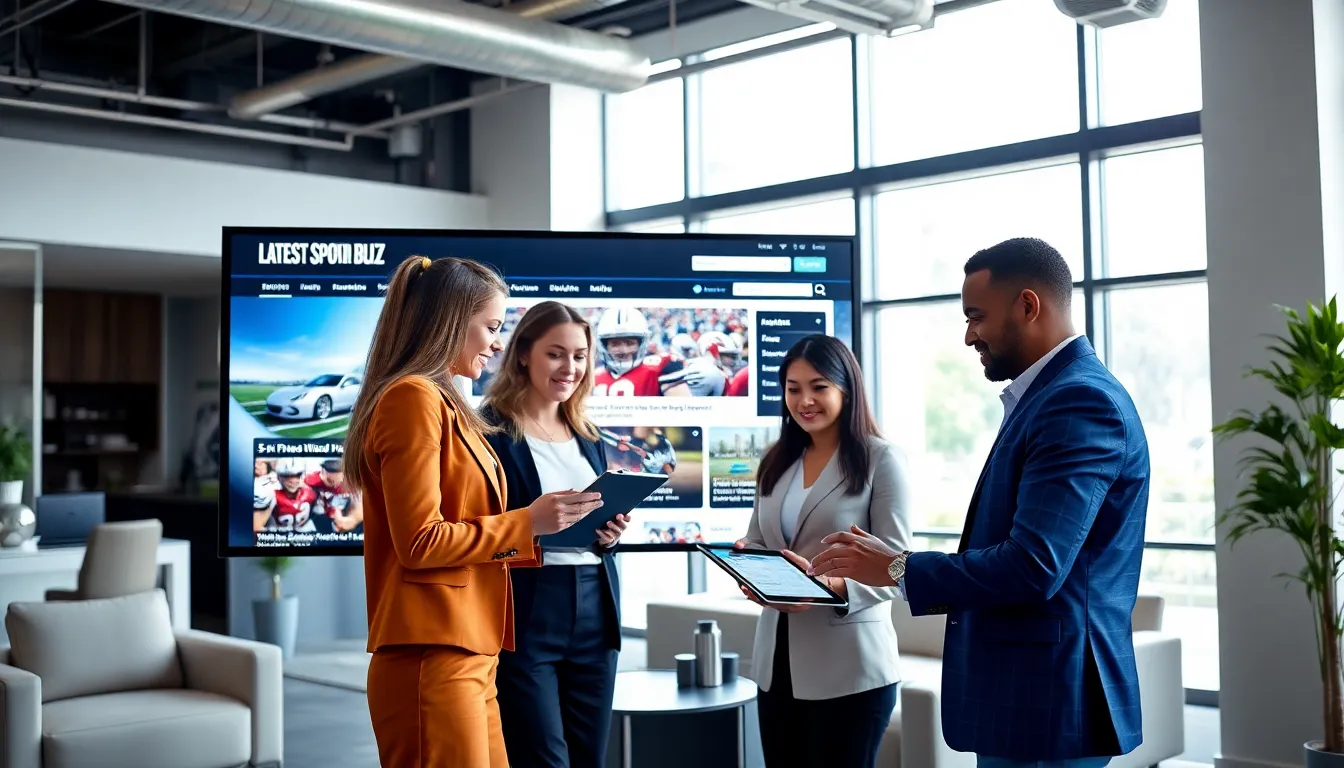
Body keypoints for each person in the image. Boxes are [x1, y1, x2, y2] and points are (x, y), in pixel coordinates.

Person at [810, 238, 1150, 768]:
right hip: (1031, 703)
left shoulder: (1078, 402)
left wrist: (896, 567)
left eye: (976, 317)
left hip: (1047, 705)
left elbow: (1033, 566)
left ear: (1028, 306)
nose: (969, 336)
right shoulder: (1047, 398)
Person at [342, 255, 604, 768]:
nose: (498, 342)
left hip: (470, 651)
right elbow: (420, 543)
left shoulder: (445, 403)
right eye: (491, 326)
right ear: (450, 320)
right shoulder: (412, 398)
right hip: (431, 652)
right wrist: (529, 522)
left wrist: (543, 527)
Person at [732, 333, 911, 768]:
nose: (804, 400)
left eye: (818, 387)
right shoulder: (777, 460)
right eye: (793, 389)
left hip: (850, 669)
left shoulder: (880, 459)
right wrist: (748, 565)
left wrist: (826, 586)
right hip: (777, 665)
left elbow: (899, 567)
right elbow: (757, 539)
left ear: (845, 389)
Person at [478, 300, 627, 768]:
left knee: (588, 759)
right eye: (556, 354)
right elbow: (479, 529)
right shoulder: (489, 432)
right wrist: (533, 523)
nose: (571, 368)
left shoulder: (588, 434)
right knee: (543, 759)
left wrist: (610, 533)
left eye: (580, 356)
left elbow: (592, 526)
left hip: (594, 611)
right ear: (523, 354)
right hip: (527, 610)